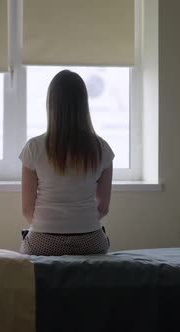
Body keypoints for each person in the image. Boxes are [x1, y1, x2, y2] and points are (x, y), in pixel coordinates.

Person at [18, 70, 114, 256]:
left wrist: (49, 227)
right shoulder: (102, 148)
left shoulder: (34, 148)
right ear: (84, 104)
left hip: (43, 240)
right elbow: (103, 208)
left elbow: (27, 209)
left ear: (51, 104)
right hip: (90, 240)